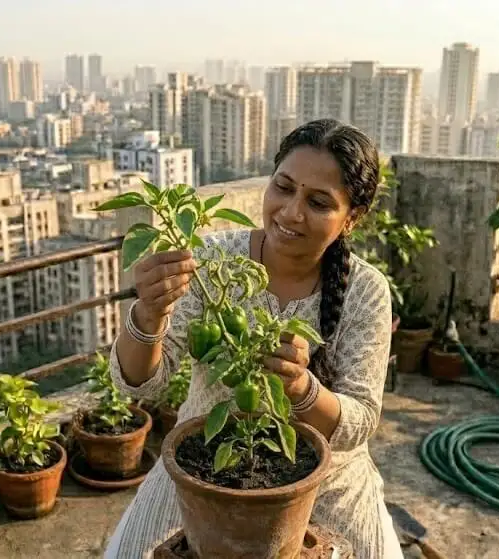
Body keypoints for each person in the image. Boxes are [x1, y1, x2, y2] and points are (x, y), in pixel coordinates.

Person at [104, 119, 403, 559]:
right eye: (283, 187)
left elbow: (358, 422)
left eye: (319, 202)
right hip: (205, 452)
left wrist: (300, 389)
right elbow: (141, 382)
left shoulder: (365, 290)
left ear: (351, 218)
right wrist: (148, 315)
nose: (291, 212)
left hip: (326, 474)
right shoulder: (211, 260)